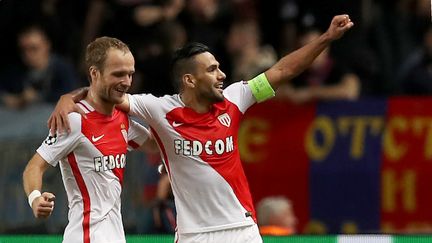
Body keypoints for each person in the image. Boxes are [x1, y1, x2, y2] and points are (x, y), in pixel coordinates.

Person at [48, 15, 353, 243]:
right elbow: (106, 91)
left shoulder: (236, 98)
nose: (222, 74)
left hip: (241, 229)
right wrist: (69, 97)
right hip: (194, 234)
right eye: (212, 69)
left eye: (219, 67)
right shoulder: (159, 109)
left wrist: (326, 37)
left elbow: (284, 70)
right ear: (190, 80)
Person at [22, 37, 155, 243]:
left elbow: (156, 145)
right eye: (118, 74)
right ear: (94, 73)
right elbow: (34, 167)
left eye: (130, 74)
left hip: (115, 236)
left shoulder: (123, 120)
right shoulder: (75, 120)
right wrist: (35, 199)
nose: (127, 82)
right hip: (86, 236)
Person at [1, 25, 79, 109]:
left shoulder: (62, 69)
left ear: (47, 45)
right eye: (23, 50)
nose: (28, 54)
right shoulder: (17, 70)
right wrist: (13, 99)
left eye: (34, 49)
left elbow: (73, 95)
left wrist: (38, 97)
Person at [277, 28, 360, 104]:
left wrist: (311, 93)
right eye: (306, 48)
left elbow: (350, 92)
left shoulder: (338, 68)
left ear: (326, 48)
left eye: (317, 47)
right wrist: (288, 92)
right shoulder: (296, 71)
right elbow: (278, 90)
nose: (311, 53)